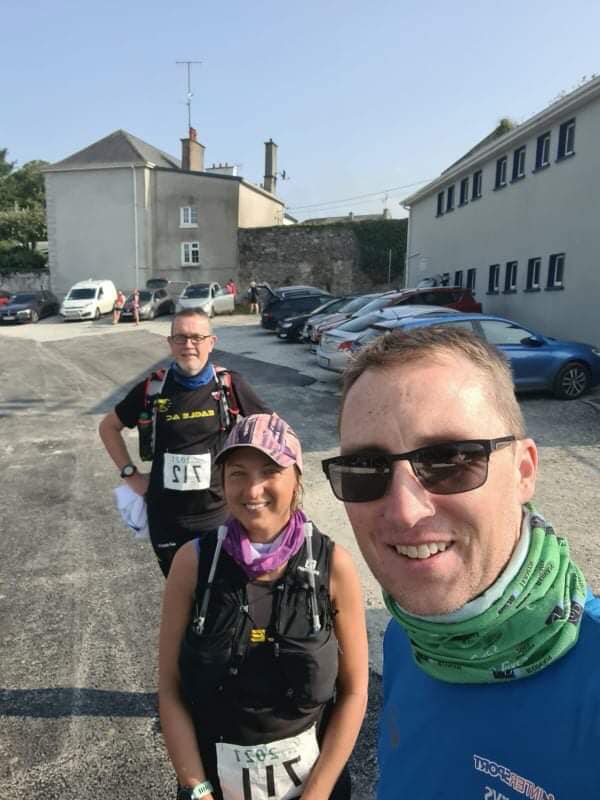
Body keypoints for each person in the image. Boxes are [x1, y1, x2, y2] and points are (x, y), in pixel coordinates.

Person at [322, 326, 600, 798]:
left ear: (524, 471)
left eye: (450, 459)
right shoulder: (409, 638)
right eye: (366, 468)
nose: (405, 511)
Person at [159, 412, 368, 800]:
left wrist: (317, 794)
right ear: (222, 482)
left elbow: (355, 691)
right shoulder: (194, 563)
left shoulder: (333, 566)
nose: (253, 489)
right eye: (237, 473)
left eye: (270, 471)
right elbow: (170, 688)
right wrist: (196, 788)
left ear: (297, 479)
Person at [99, 308, 271, 576]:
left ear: (211, 343)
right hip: (167, 519)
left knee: (224, 590)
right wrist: (130, 474)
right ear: (170, 343)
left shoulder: (228, 384)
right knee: (180, 590)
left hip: (220, 514)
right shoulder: (153, 388)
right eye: (180, 338)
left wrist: (259, 483)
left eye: (197, 338)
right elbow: (108, 427)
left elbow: (271, 429)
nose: (188, 345)